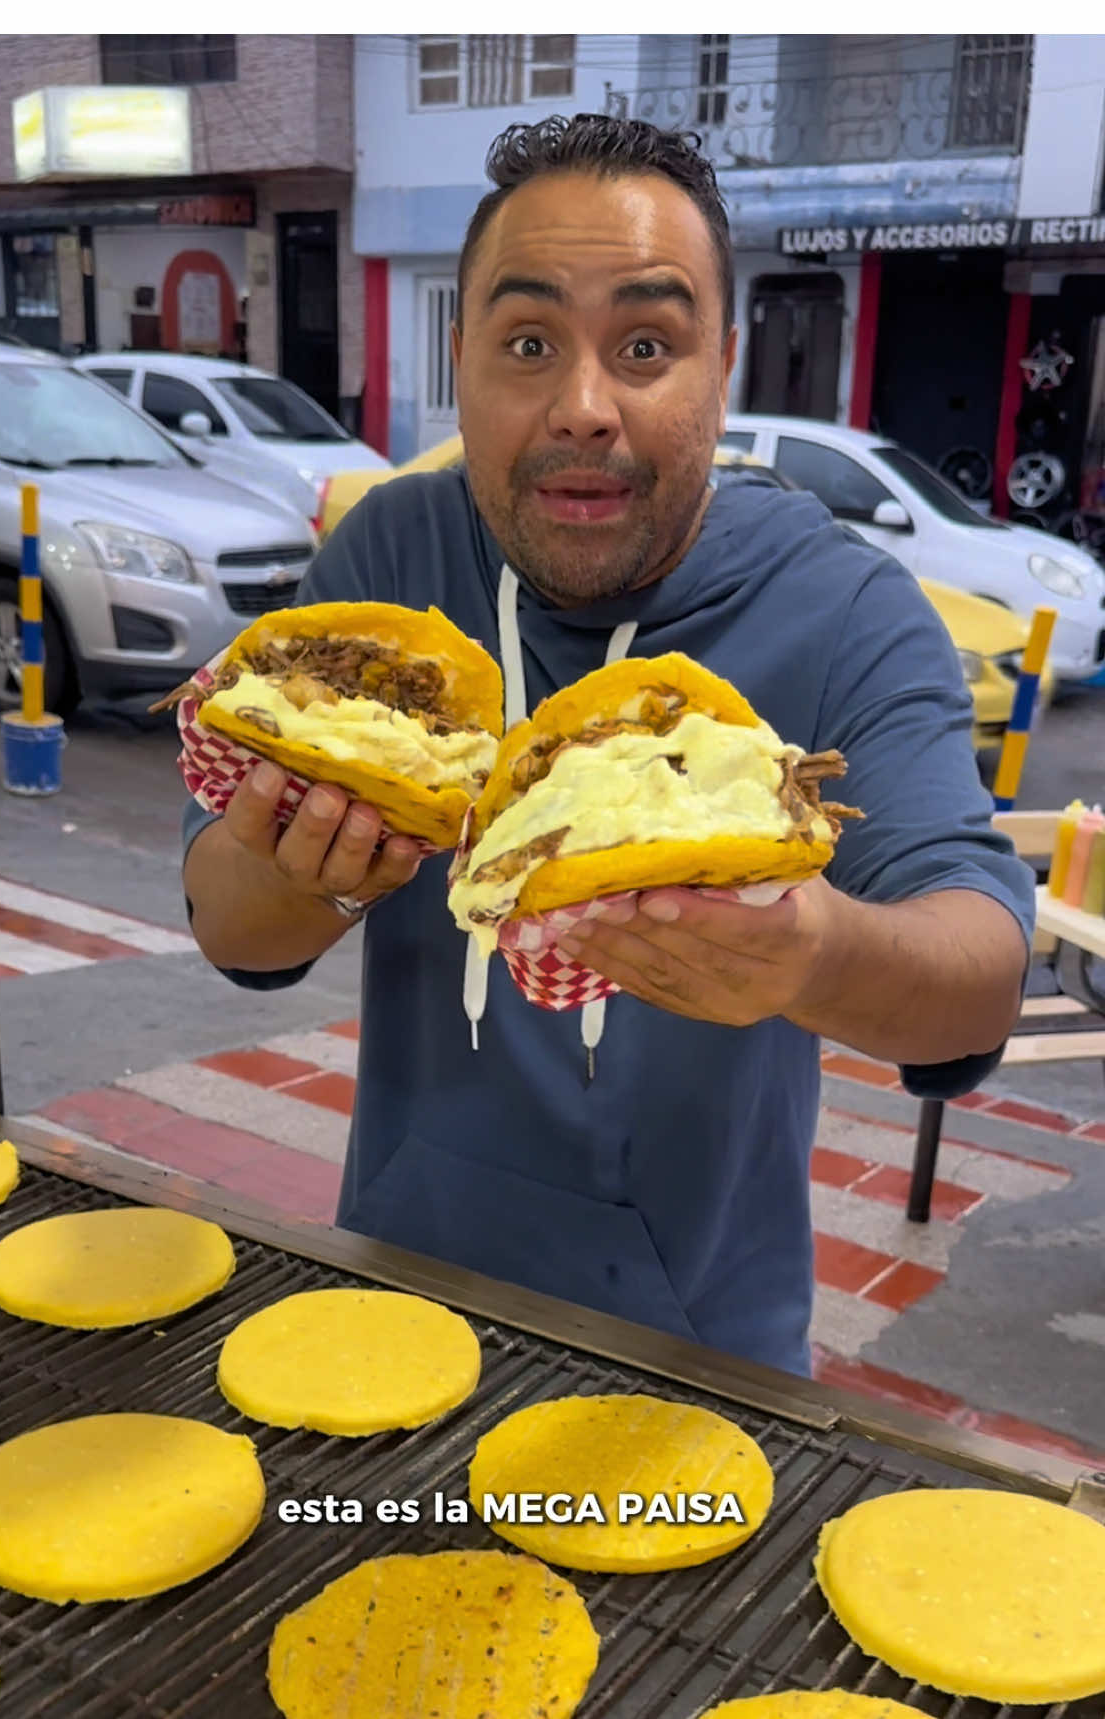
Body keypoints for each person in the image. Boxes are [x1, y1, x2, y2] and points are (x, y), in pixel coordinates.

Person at [182, 115, 1033, 1377]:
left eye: (646, 344)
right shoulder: (387, 577)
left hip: (700, 1359)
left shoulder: (845, 609)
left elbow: (980, 979)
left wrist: (810, 950)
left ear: (724, 366)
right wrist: (308, 873)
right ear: (459, 353)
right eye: (528, 343)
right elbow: (228, 931)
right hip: (391, 1299)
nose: (585, 407)